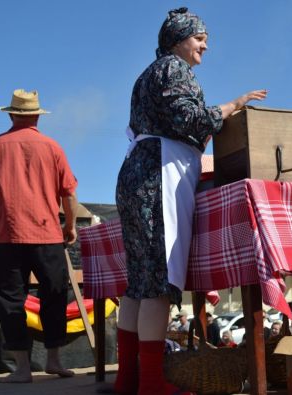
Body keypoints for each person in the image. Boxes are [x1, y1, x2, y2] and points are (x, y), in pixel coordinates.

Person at [111, 8, 267, 395]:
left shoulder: (148, 73)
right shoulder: (174, 69)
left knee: (138, 284)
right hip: (157, 175)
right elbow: (191, 120)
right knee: (158, 283)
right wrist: (232, 106)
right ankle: (150, 384)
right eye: (199, 38)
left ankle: (128, 379)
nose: (205, 45)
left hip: (139, 171)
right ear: (179, 39)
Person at [0, 89, 78, 383]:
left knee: (10, 300)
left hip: (9, 236)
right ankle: (54, 362)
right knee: (55, 297)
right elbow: (69, 193)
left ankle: (22, 369)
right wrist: (70, 227)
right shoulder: (53, 147)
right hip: (48, 235)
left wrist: (5, 187)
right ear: (36, 116)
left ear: (11, 114)